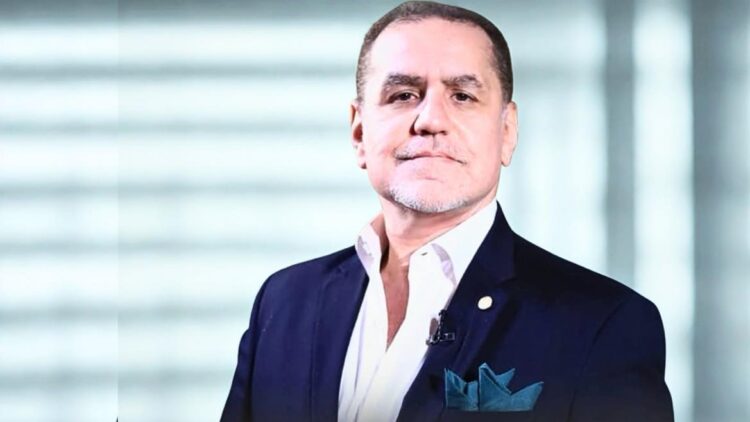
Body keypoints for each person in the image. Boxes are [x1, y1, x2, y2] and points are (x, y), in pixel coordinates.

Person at [220, 1, 674, 421]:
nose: (430, 120)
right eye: (403, 94)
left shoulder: (601, 325)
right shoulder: (284, 302)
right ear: (359, 132)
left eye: (462, 96)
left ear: (507, 132)